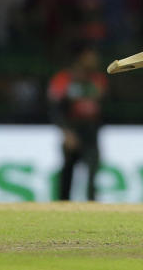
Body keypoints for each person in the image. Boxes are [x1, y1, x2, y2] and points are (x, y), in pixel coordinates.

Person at [48, 45, 107, 201]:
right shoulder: (64, 79)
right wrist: (66, 132)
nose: (94, 60)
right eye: (91, 56)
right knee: (68, 171)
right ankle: (63, 205)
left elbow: (102, 108)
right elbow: (55, 109)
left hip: (91, 131)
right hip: (73, 129)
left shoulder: (98, 79)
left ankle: (92, 206)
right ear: (81, 57)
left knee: (93, 171)